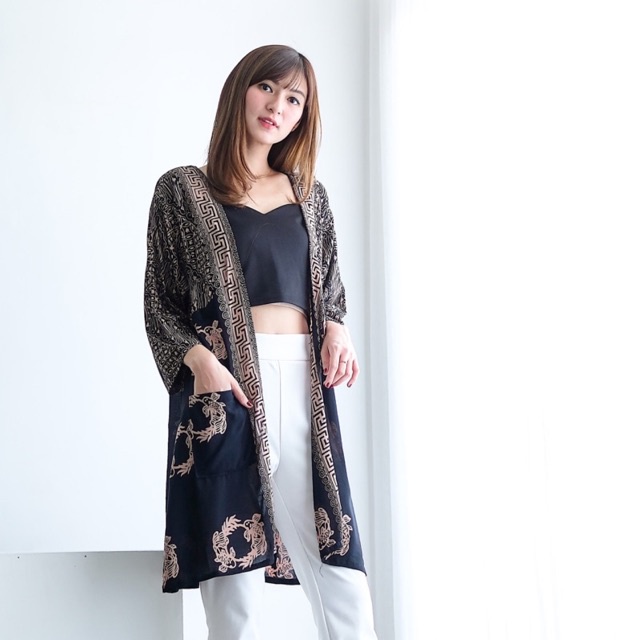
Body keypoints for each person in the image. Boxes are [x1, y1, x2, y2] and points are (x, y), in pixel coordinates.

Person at [144, 44, 377, 640]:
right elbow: (159, 303)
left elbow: (329, 289)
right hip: (227, 385)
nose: (278, 106)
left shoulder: (310, 196)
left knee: (336, 557)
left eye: (294, 99)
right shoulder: (183, 190)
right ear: (241, 90)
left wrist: (338, 327)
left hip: (302, 381)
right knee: (234, 574)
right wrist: (201, 363)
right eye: (268, 88)